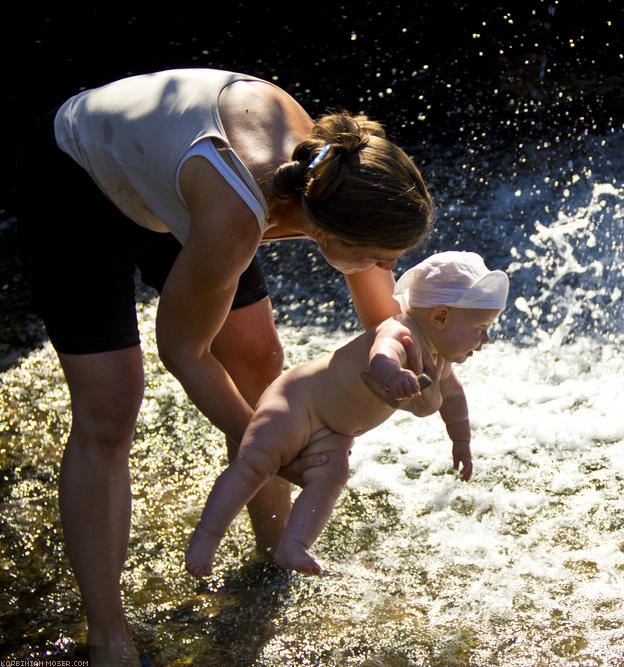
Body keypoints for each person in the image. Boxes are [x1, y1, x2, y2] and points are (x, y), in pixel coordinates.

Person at [13, 68, 434, 665]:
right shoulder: (244, 213)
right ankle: (109, 635)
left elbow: (382, 321)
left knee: (261, 360)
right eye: (382, 257)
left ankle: (273, 561)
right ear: (326, 230)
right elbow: (183, 352)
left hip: (183, 184)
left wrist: (419, 367)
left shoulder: (333, 177)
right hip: (79, 190)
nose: (386, 267)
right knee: (111, 407)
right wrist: (265, 446)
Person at [185, 251, 508, 577]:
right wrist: (393, 376)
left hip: (335, 431)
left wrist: (461, 442)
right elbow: (381, 357)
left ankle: (293, 545)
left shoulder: (440, 360)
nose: (486, 340)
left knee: (332, 477)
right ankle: (206, 537)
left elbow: (453, 398)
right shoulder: (399, 331)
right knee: (256, 463)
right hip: (298, 403)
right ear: (440, 318)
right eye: (481, 328)